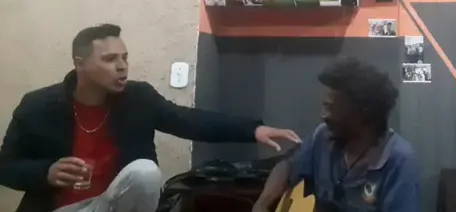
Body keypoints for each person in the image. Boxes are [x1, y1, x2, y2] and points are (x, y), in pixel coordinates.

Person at [0, 24, 301, 212]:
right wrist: (46, 172)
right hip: (62, 209)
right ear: (80, 64)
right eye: (109, 59)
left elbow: (188, 120)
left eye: (124, 57)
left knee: (145, 172)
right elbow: (6, 167)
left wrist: (253, 129)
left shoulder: (138, 98)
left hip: (115, 205)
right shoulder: (39, 106)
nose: (122, 66)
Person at [252, 58, 420, 212]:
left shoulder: (398, 161)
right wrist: (262, 204)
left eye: (331, 108)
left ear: (361, 114)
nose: (323, 116)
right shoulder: (323, 137)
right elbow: (287, 166)